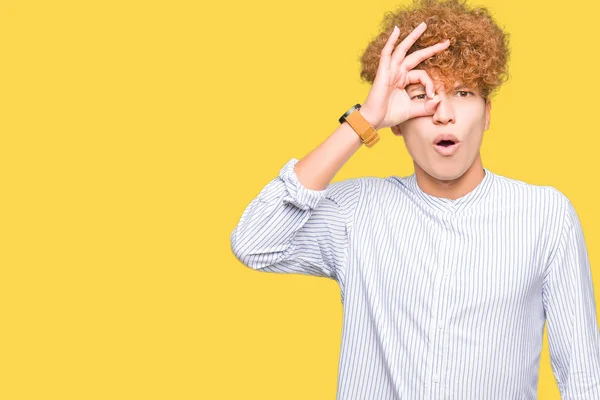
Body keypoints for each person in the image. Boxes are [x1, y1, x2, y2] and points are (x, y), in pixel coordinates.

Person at [229, 0, 600, 398]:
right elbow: (255, 243)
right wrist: (364, 120)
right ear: (396, 122)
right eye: (421, 95)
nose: (443, 114)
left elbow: (582, 376)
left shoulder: (545, 216)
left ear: (487, 113)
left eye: (462, 92)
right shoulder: (356, 212)